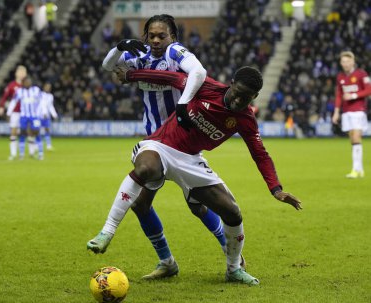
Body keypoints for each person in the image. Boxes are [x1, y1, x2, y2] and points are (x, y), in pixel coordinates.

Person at [90, 65, 302, 285]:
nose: (239, 101)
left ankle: (233, 269)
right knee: (145, 171)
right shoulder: (207, 87)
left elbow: (260, 153)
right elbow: (172, 78)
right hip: (161, 146)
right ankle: (107, 232)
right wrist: (131, 75)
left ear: (255, 97)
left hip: (191, 160)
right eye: (237, 93)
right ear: (231, 84)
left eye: (246, 98)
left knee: (232, 213)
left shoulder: (246, 119)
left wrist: (276, 189)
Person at [88, 14, 229, 280]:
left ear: (172, 37)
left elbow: (199, 71)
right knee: (141, 205)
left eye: (161, 35)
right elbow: (108, 66)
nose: (155, 40)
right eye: (151, 35)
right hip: (154, 142)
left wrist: (183, 103)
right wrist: (119, 46)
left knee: (198, 207)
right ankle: (167, 262)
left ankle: (230, 250)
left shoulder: (175, 53)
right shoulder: (139, 55)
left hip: (182, 143)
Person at [332, 51, 371, 178]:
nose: (346, 64)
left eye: (348, 61)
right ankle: (359, 169)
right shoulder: (340, 77)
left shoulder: (361, 74)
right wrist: (336, 112)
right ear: (341, 63)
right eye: (343, 61)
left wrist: (354, 95)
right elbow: (339, 95)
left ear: (353, 62)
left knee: (356, 137)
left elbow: (369, 90)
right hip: (346, 111)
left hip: (358, 110)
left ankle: (355, 169)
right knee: (352, 140)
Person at [6, 76, 44, 160]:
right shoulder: (19, 91)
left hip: (35, 116)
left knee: (37, 133)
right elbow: (13, 102)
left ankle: (41, 153)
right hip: (23, 116)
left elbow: (42, 101)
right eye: (26, 82)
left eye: (29, 81)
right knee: (22, 133)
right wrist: (9, 113)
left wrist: (41, 112)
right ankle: (21, 154)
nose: (28, 83)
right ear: (23, 83)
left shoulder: (36, 90)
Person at [0, 65, 27, 160]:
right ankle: (13, 154)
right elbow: (4, 97)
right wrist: (1, 106)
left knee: (24, 132)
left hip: (25, 113)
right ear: (16, 73)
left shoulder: (27, 86)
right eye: (20, 72)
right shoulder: (12, 85)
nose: (22, 74)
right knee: (13, 132)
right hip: (15, 112)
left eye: (23, 72)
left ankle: (26, 152)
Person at [40, 82, 58, 150]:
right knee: (37, 130)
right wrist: (42, 113)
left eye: (49, 87)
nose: (48, 88)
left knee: (47, 130)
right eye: (46, 86)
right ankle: (37, 144)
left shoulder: (50, 96)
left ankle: (48, 145)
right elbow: (39, 105)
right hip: (39, 115)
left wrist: (54, 114)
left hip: (47, 116)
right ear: (44, 87)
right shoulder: (40, 95)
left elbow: (50, 106)